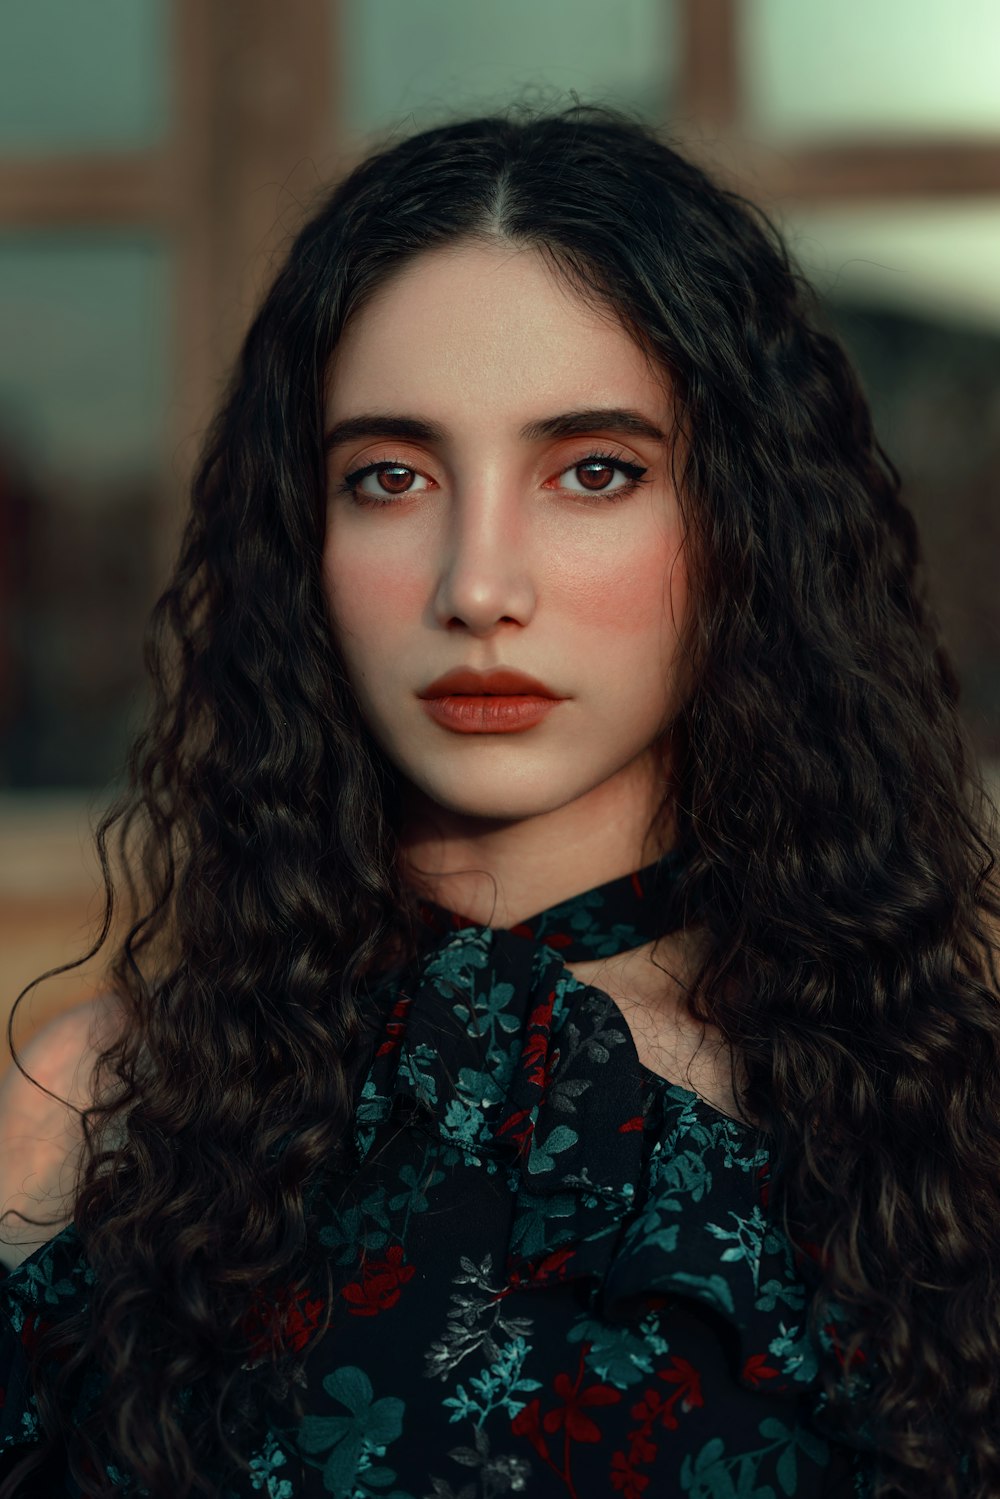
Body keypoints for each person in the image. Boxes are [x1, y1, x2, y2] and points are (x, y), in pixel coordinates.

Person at [0, 99, 997, 1499]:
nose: (477, 586)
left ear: (743, 525)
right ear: (304, 537)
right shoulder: (92, 1107)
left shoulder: (933, 1138)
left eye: (594, 472)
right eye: (390, 477)